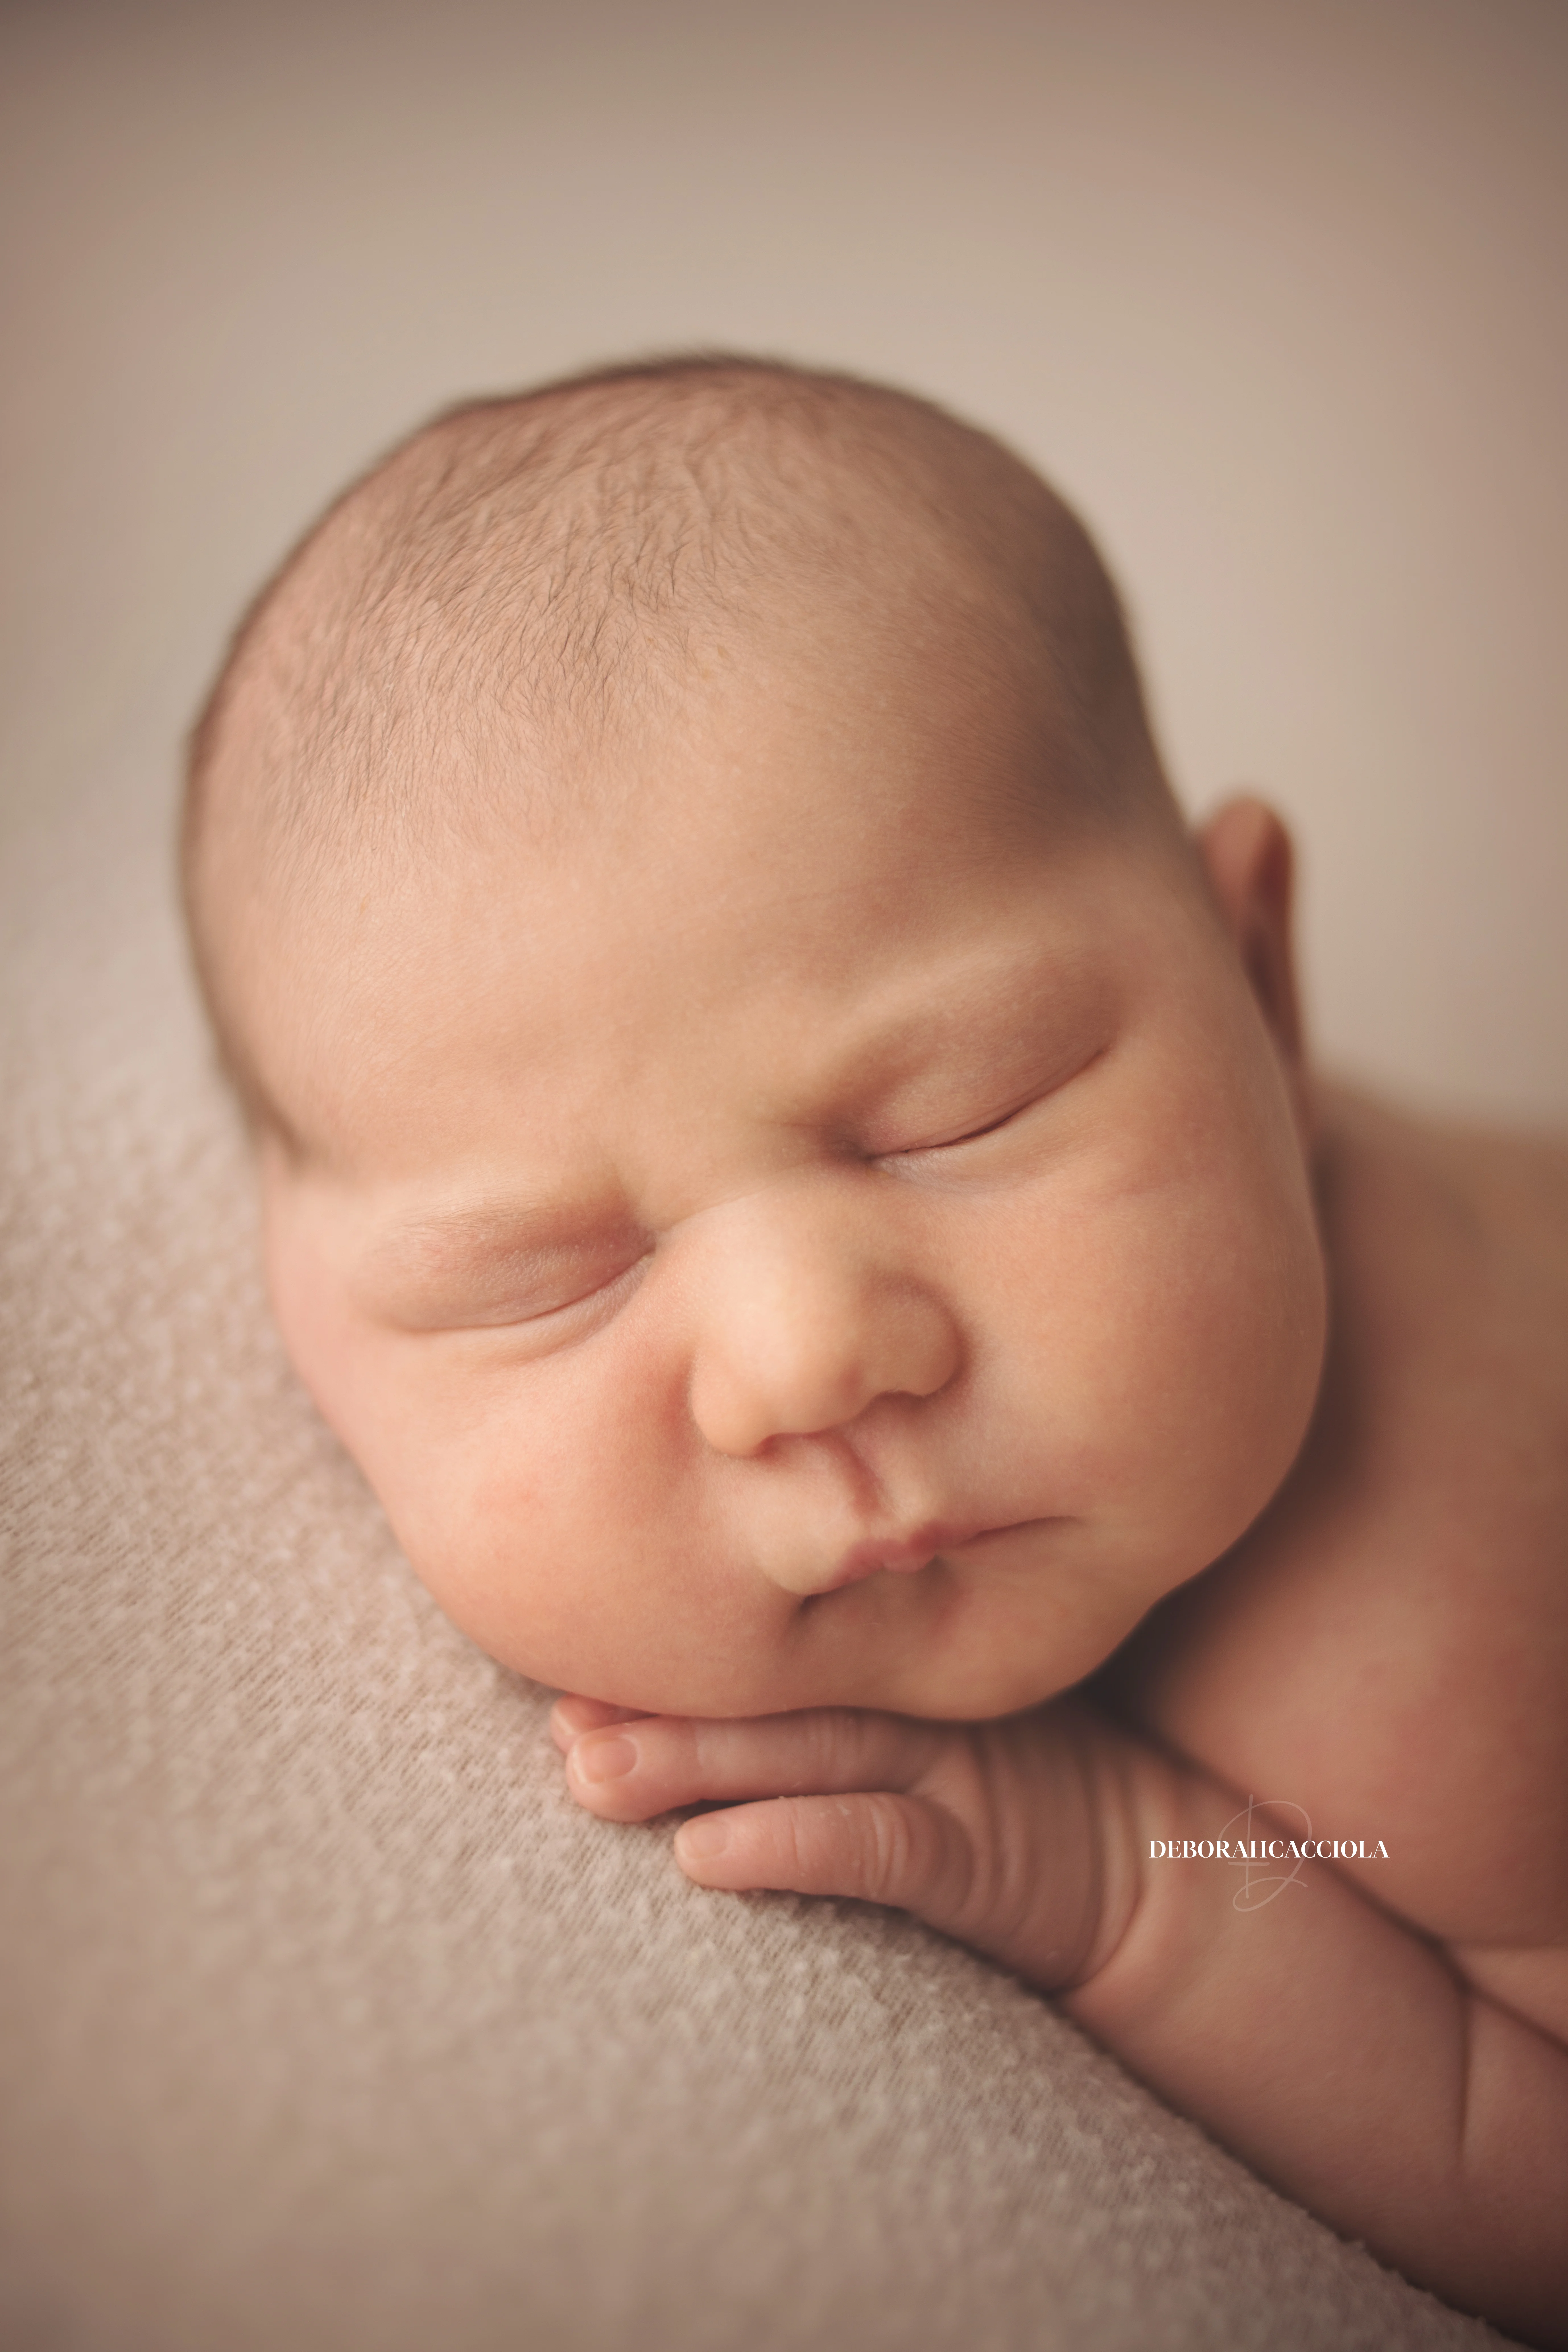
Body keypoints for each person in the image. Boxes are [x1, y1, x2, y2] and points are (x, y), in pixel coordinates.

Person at [182, 356, 1567, 2347]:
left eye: (952, 1117)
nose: (804, 1362)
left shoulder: (1432, 1647)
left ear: (1262, 989)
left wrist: (1128, 1880)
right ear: (302, 1320)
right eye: (546, 1276)